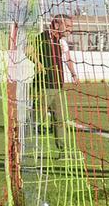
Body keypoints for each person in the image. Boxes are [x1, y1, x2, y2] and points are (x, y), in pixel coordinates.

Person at [27, 15, 80, 150]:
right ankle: (27, 145)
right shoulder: (42, 37)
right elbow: (27, 50)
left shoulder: (62, 42)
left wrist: (73, 73)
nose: (70, 30)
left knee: (60, 120)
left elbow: (67, 59)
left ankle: (63, 150)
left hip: (58, 86)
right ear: (57, 25)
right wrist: (38, 63)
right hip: (43, 86)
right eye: (67, 26)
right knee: (38, 119)